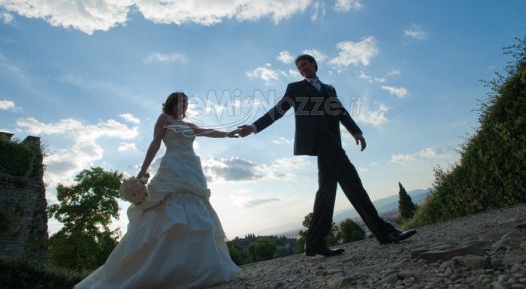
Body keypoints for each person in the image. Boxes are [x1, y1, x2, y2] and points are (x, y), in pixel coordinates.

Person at [238, 54, 416, 257]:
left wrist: (356, 131)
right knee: (353, 184)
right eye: (299, 67)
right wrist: (253, 127)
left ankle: (314, 243)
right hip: (320, 144)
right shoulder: (295, 89)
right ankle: (385, 233)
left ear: (314, 64)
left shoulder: (329, 89)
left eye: (304, 64)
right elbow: (277, 111)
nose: (302, 68)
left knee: (326, 192)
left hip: (332, 142)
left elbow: (340, 112)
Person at [75, 92, 240, 289]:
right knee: (164, 209)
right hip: (172, 166)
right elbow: (155, 143)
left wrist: (229, 133)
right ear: (171, 104)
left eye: (186, 103)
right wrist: (142, 171)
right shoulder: (164, 119)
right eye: (181, 102)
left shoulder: (189, 126)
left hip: (191, 168)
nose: (184, 106)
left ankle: (195, 265)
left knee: (197, 209)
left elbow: (208, 132)